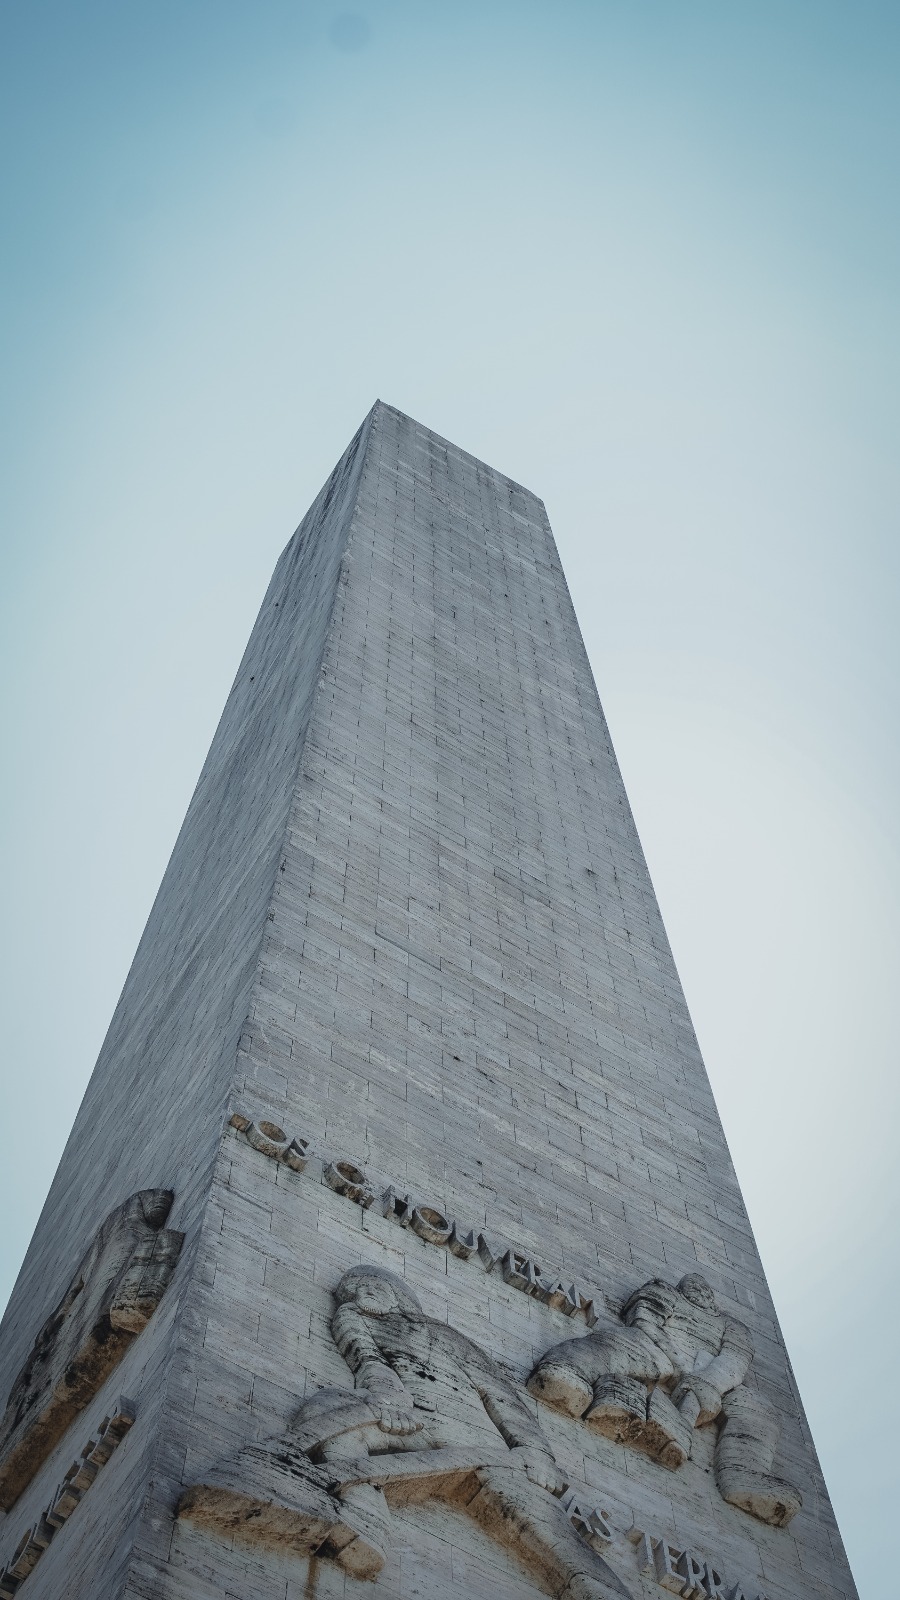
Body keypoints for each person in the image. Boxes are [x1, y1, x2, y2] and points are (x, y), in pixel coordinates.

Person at [527, 1272, 801, 1528]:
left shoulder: (733, 1326)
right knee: (618, 1343)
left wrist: (709, 1382)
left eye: (704, 1287)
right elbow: (644, 1319)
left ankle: (745, 1472)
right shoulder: (663, 1291)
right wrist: (678, 1366)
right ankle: (564, 1371)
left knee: (757, 1409)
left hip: (713, 1379)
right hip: (660, 1348)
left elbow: (736, 1359)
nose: (699, 1288)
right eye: (692, 1284)